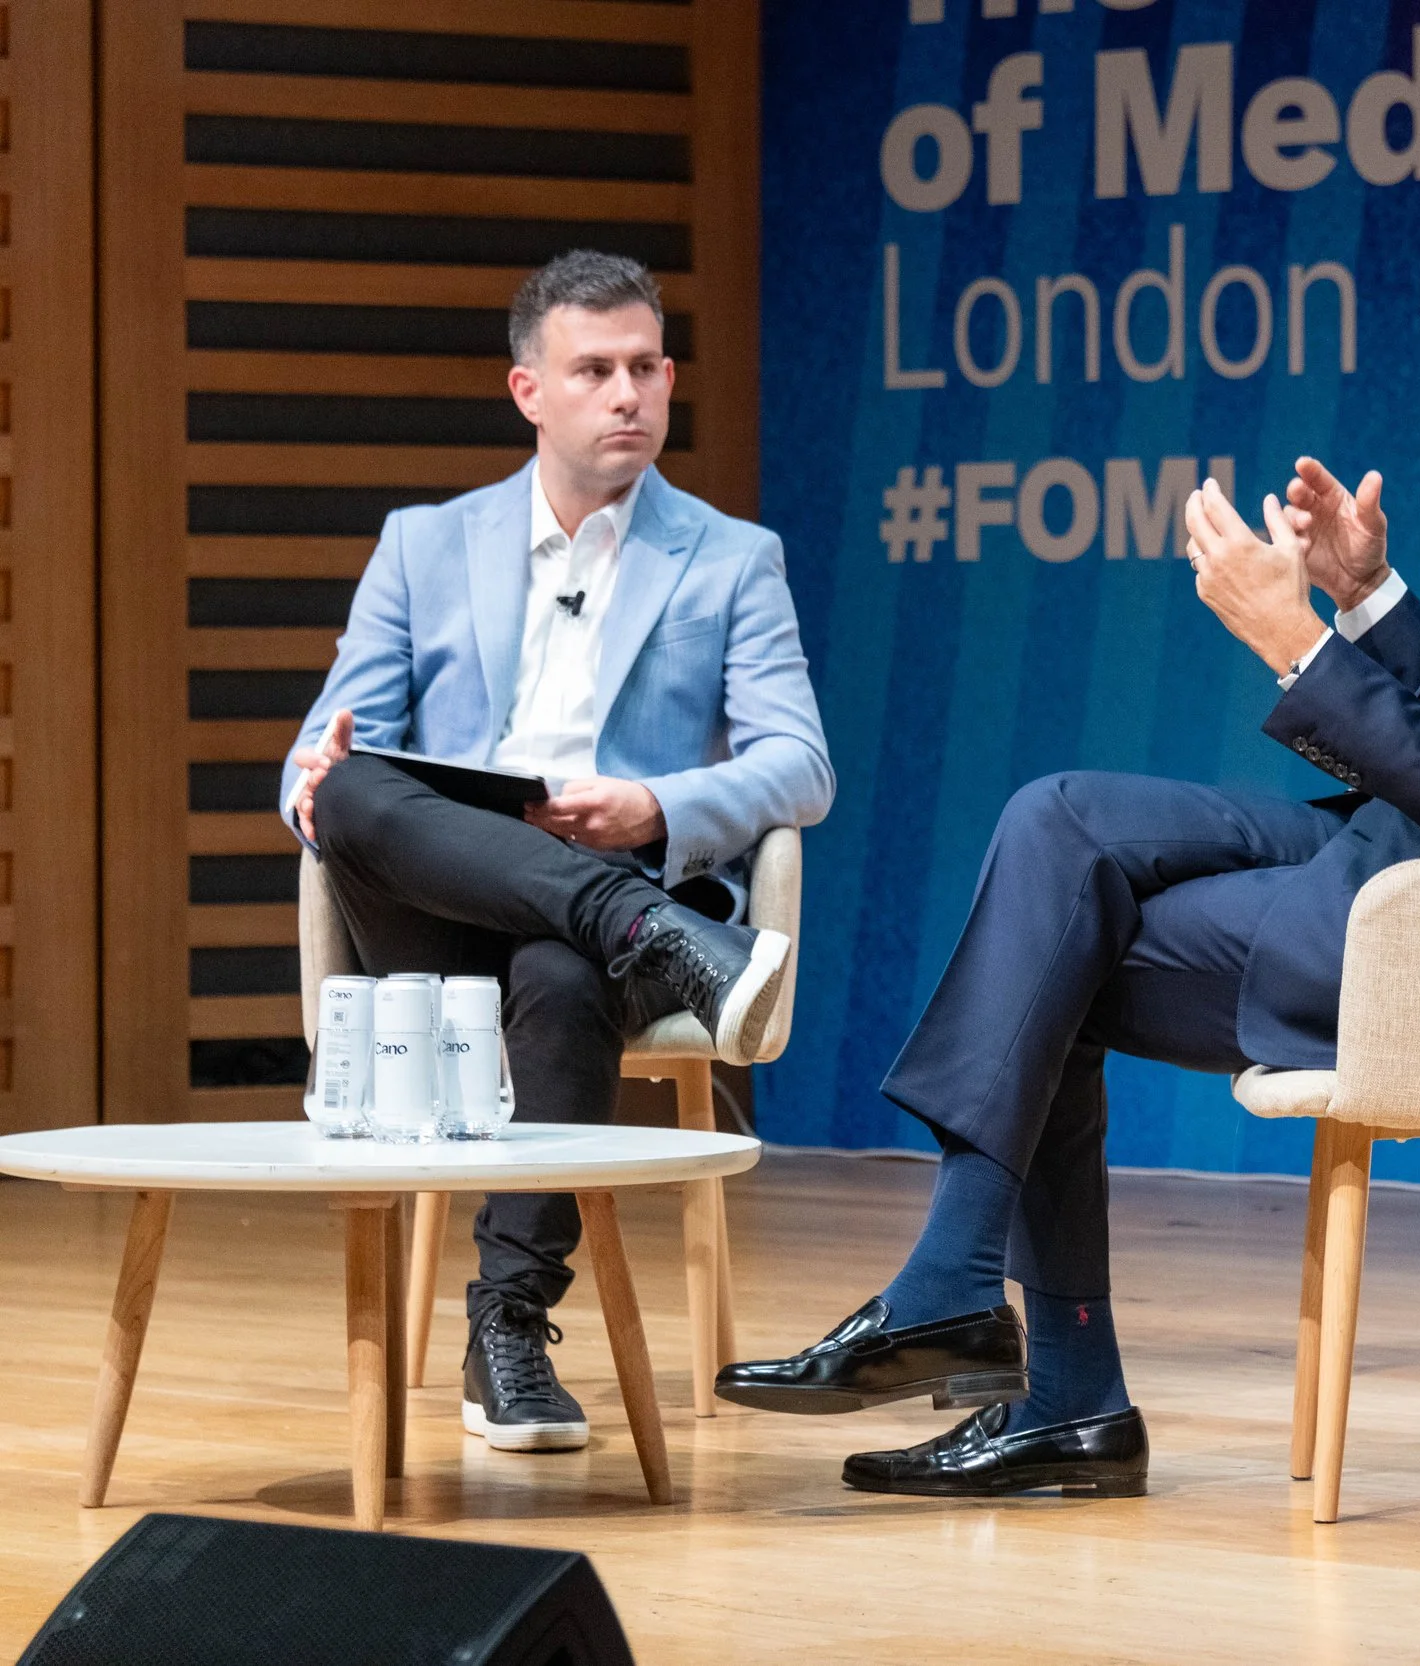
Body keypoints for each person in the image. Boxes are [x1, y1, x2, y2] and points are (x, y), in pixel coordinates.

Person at [716, 198, 1420, 1500]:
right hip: (1396, 861)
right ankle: (989, 1328)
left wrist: (1297, 644)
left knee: (1051, 946)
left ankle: (1018, 1352)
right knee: (1058, 820)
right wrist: (1369, 603)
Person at [279, 250, 834, 1455]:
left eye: (646, 368)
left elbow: (801, 764)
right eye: (595, 370)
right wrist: (318, 783)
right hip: (450, 910)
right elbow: (309, 762)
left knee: (560, 972)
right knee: (359, 788)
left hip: (621, 887)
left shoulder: (733, 558)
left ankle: (509, 1326)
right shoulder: (423, 546)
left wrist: (652, 806)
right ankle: (650, 930)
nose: (627, 393)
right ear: (530, 389)